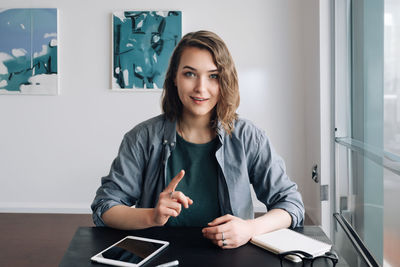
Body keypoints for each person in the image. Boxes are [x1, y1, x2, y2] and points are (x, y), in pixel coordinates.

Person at [91, 30, 305, 249]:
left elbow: (291, 204)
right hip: (156, 257)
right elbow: (105, 206)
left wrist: (250, 228)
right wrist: (152, 216)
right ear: (174, 77)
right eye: (190, 74)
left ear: (225, 81)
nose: (201, 88)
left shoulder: (249, 137)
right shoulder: (142, 138)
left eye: (213, 76)